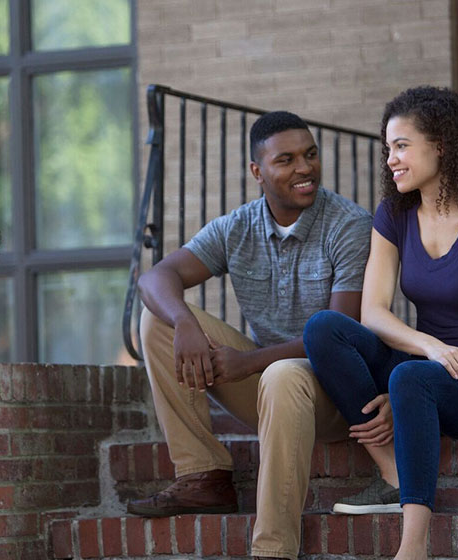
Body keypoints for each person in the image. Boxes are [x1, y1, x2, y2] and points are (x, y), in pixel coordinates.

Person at [127, 110, 372, 560]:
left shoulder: (349, 226)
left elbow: (343, 334)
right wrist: (185, 324)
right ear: (257, 172)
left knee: (281, 375)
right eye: (287, 160)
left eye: (310, 155)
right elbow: (155, 277)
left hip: (335, 394)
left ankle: (272, 551)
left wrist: (250, 362)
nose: (304, 168)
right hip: (268, 387)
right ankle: (203, 475)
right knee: (157, 319)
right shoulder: (237, 227)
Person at [303, 86, 458, 560]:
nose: (391, 159)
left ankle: (414, 546)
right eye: (388, 148)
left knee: (410, 378)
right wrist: (428, 351)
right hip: (424, 369)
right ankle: (393, 473)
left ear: (441, 145)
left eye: (402, 146)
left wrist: (422, 376)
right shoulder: (395, 215)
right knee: (324, 328)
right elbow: (373, 313)